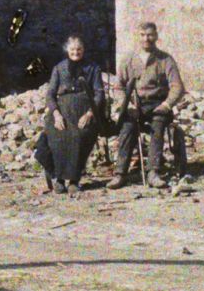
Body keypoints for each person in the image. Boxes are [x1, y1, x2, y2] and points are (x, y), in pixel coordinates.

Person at [112, 21, 187, 188]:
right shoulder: (128, 59)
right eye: (143, 35)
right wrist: (126, 104)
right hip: (135, 105)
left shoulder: (165, 59)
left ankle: (153, 172)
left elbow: (177, 86)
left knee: (158, 126)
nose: (147, 39)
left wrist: (167, 105)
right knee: (127, 127)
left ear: (156, 36)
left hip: (158, 104)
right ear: (138, 37)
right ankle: (120, 173)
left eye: (150, 35)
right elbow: (119, 87)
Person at [33, 33, 104, 194]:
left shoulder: (93, 68)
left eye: (79, 49)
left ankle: (74, 179)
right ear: (67, 50)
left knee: (79, 136)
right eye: (72, 49)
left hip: (84, 111)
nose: (76, 52)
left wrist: (89, 114)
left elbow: (99, 93)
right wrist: (56, 115)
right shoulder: (59, 68)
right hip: (62, 111)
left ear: (83, 50)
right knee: (56, 136)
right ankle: (58, 178)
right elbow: (50, 94)